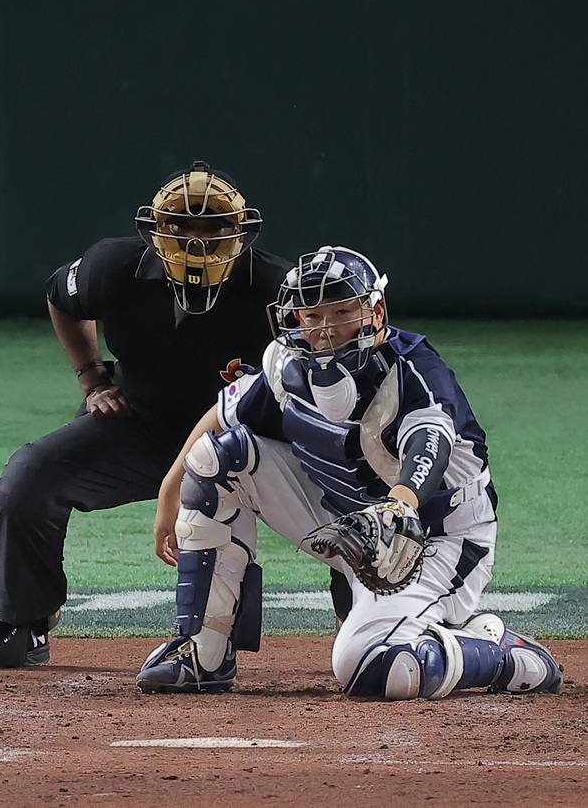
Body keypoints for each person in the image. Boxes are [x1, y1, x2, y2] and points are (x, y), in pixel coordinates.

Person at [137, 246, 563, 698]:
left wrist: (401, 503)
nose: (326, 330)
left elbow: (429, 446)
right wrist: (170, 487)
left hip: (435, 538)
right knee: (216, 459)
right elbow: (226, 415)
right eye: (312, 315)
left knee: (377, 666)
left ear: (374, 311)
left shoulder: (414, 369)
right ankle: (203, 651)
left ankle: (502, 653)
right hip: (349, 524)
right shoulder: (287, 365)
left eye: (342, 311)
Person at [0, 162, 296, 671]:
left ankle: (364, 614)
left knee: (340, 492)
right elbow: (59, 297)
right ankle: (22, 622)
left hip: (241, 446)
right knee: (29, 479)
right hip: (141, 427)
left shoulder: (276, 287)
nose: (197, 240)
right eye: (182, 226)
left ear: (240, 231)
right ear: (155, 229)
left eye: (213, 227)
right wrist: (92, 375)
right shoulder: (112, 266)